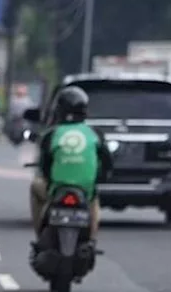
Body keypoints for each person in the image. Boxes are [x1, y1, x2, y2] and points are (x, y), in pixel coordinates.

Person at [29, 85, 112, 240]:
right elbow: (107, 162)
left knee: (35, 186)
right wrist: (97, 180)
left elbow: (44, 166)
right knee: (93, 202)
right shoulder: (94, 134)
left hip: (56, 189)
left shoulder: (52, 134)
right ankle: (91, 240)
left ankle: (39, 233)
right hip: (85, 190)